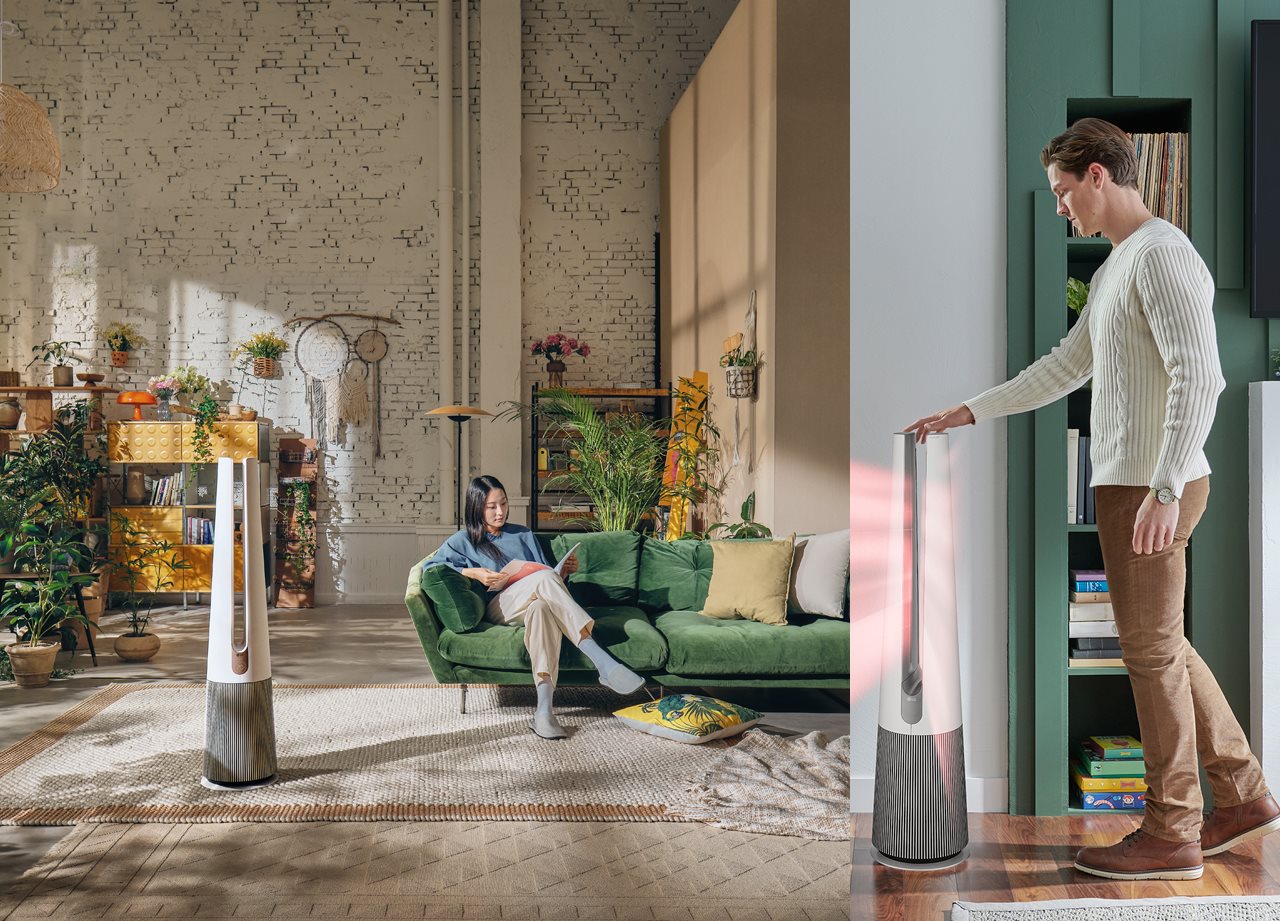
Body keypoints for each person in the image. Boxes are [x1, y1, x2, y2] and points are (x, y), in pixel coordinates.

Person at [907, 118, 1278, 881]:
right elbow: (1064, 366)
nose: (1059, 207)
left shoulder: (1163, 255)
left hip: (1151, 482)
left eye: (1063, 191)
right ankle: (1240, 794)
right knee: (1164, 647)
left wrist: (1166, 487)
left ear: (1100, 174)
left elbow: (1199, 376)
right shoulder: (1119, 266)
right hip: (1135, 483)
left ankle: (1174, 828)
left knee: (1149, 654)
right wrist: (969, 409)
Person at [422, 474, 645, 740]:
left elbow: (545, 576)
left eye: (503, 504)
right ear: (476, 508)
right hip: (500, 607)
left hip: (532, 603)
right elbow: (430, 567)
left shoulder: (523, 534)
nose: (500, 511)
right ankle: (601, 660)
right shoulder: (463, 540)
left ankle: (543, 711)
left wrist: (563, 573)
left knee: (541, 607)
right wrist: (474, 573)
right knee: (542, 581)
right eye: (491, 506)